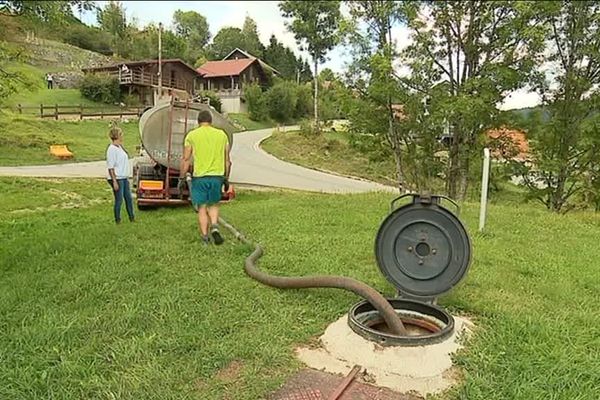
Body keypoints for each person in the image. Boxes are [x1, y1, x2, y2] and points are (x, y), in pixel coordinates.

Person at [179, 110, 231, 245]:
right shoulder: (221, 135)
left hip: (200, 177)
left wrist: (182, 177)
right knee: (213, 204)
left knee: (202, 207)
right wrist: (226, 178)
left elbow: (185, 159)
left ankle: (205, 237)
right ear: (211, 121)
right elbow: (227, 161)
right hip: (217, 176)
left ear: (198, 121)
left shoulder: (192, 135)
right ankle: (214, 225)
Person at [106, 125, 135, 224]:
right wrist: (114, 181)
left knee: (128, 198)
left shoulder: (119, 147)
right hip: (117, 178)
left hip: (124, 177)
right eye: (121, 134)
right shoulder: (111, 149)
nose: (122, 136)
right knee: (119, 200)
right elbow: (111, 167)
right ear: (117, 136)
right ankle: (117, 220)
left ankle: (132, 218)